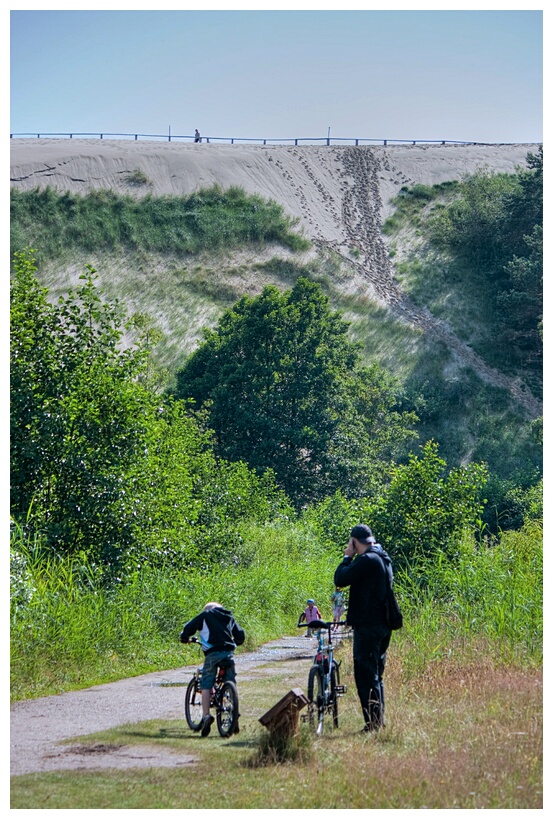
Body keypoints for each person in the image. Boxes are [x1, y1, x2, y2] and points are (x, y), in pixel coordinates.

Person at [334, 524, 393, 732]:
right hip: (384, 625)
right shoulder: (383, 557)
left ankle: (373, 725)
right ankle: (378, 721)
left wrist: (347, 556)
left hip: (369, 626)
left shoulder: (367, 560)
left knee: (366, 677)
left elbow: (340, 578)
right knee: (376, 675)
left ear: (354, 541)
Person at [180, 602, 245, 736]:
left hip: (212, 654)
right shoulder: (228, 616)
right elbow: (240, 635)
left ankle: (206, 716)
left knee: (207, 682)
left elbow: (188, 627)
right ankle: (233, 711)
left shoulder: (206, 615)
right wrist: (237, 641)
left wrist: (184, 637)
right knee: (230, 681)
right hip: (228, 653)